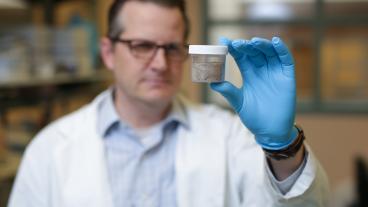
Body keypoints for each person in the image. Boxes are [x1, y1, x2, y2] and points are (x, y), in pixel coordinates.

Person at [8, 0, 329, 206]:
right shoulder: (50, 148)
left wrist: (282, 146)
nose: (160, 63)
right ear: (107, 52)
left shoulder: (230, 136)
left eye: (173, 48)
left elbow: (306, 203)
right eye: (142, 45)